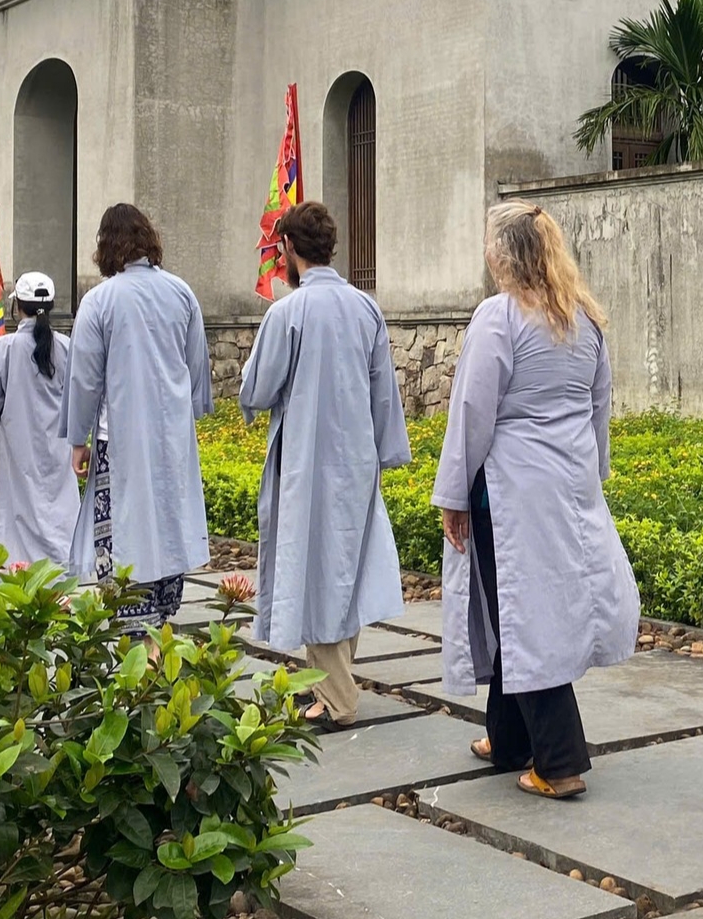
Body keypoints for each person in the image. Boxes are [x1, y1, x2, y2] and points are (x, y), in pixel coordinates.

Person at [433, 200, 638, 800]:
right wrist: (590, 479)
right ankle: (509, 738)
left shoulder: (499, 318)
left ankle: (560, 761)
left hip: (511, 492)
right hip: (567, 486)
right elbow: (599, 411)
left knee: (524, 615)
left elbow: (472, 414)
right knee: (518, 611)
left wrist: (453, 494)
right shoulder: (582, 319)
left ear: (502, 255)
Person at [240, 201, 411, 729]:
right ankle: (327, 686)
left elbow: (257, 387)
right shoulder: (366, 308)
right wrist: (386, 452)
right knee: (346, 567)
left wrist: (252, 400)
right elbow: (385, 392)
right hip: (357, 458)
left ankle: (338, 698)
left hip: (306, 462)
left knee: (314, 569)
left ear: (288, 249)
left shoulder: (288, 313)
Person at [63, 203, 215, 633]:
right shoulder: (182, 293)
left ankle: (139, 643)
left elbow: (84, 379)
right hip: (170, 437)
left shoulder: (100, 301)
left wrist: (78, 438)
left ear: (106, 247)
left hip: (120, 437)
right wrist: (188, 414)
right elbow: (195, 367)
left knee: (126, 530)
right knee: (167, 519)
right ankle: (161, 622)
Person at [0, 271, 79, 567]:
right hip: (59, 453)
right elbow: (80, 402)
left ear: (16, 306)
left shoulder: (4, 350)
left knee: (16, 522)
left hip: (16, 454)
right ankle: (61, 585)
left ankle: (18, 585)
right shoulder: (67, 347)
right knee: (59, 516)